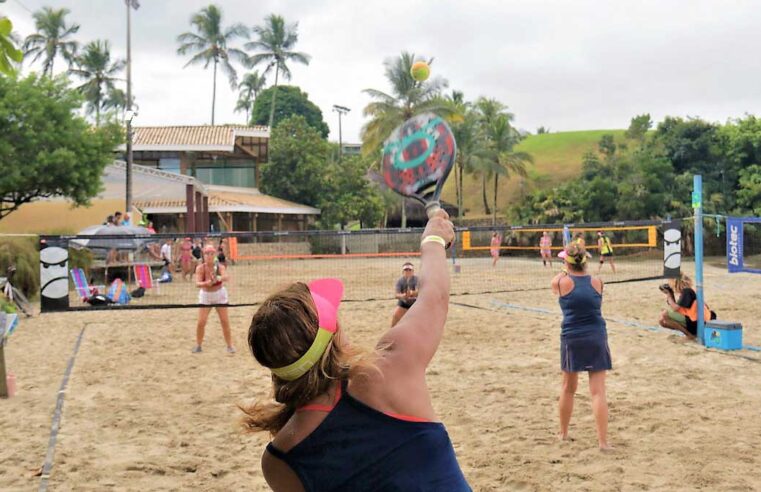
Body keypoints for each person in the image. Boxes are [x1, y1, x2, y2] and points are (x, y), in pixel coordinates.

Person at [241, 210, 470, 491]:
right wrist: (433, 238)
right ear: (335, 333)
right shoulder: (388, 366)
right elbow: (434, 296)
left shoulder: (279, 460)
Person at [551, 242, 612, 451]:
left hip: (572, 337)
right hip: (596, 335)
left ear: (566, 263)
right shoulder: (598, 282)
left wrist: (564, 268)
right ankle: (603, 442)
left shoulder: (560, 283)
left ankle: (563, 433)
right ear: (586, 261)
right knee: (598, 392)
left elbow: (559, 279)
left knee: (568, 388)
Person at [193, 244, 234, 354]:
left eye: (211, 254)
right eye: (207, 254)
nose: (209, 256)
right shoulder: (200, 268)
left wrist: (218, 278)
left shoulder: (219, 267)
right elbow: (197, 283)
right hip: (206, 296)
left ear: (214, 255)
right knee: (201, 322)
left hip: (219, 294)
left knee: (225, 321)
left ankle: (230, 345)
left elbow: (226, 277)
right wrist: (208, 282)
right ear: (203, 255)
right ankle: (198, 345)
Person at [658, 274, 712, 340]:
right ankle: (689, 333)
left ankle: (690, 335)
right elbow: (676, 308)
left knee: (664, 314)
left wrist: (668, 294)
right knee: (662, 321)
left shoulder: (687, 291)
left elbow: (675, 308)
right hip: (695, 320)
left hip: (697, 322)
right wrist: (670, 293)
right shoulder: (686, 292)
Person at [391, 262, 419, 327]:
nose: (408, 271)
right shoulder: (400, 281)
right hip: (404, 303)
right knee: (395, 317)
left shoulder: (417, 279)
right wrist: (403, 296)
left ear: (413, 271)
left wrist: (411, 293)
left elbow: (419, 292)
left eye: (410, 270)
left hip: (416, 303)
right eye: (406, 270)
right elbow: (396, 295)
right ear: (403, 272)